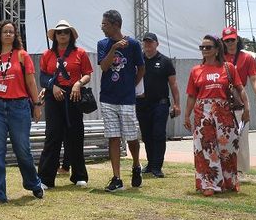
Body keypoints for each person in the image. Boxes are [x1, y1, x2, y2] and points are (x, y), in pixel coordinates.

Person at [0, 20, 44, 205]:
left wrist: (36, 105)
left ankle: (33, 183)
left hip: (19, 106)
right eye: (5, 31)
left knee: (22, 150)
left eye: (12, 32)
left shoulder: (22, 55)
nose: (8, 34)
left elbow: (31, 82)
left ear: (15, 36)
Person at [184, 35, 249, 196]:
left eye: (208, 47)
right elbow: (192, 95)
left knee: (228, 147)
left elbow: (240, 89)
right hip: (202, 112)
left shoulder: (228, 68)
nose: (205, 50)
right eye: (202, 47)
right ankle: (209, 183)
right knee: (205, 148)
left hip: (224, 111)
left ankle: (229, 181)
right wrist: (186, 115)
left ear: (217, 49)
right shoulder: (196, 70)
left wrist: (247, 109)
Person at [37, 19, 93, 189]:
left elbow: (87, 74)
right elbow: (43, 77)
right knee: (53, 136)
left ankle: (79, 175)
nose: (62, 35)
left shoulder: (80, 53)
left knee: (75, 135)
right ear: (54, 36)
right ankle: (46, 178)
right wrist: (52, 87)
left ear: (71, 35)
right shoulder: (47, 54)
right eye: (59, 32)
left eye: (66, 32)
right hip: (54, 97)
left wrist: (78, 84)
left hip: (74, 96)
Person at [98, 10, 145, 192]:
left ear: (115, 25)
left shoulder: (133, 44)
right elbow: (103, 66)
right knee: (113, 137)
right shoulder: (103, 44)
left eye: (105, 24)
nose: (102, 27)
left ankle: (136, 165)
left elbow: (141, 68)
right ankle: (117, 177)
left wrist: (131, 86)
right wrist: (113, 48)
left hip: (127, 99)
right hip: (108, 97)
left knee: (132, 137)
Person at [221, 26, 256, 176]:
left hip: (239, 102)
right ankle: (225, 168)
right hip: (221, 101)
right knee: (222, 137)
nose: (230, 43)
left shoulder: (247, 58)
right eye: (227, 41)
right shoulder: (219, 58)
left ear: (237, 39)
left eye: (232, 39)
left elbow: (254, 78)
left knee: (241, 137)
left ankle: (240, 170)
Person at [136, 32, 180, 178]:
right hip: (142, 103)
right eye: (145, 42)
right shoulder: (138, 60)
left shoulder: (165, 61)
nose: (148, 45)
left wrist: (177, 104)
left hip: (160, 104)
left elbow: (173, 84)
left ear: (156, 44)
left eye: (151, 42)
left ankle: (157, 166)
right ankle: (150, 163)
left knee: (159, 134)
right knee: (147, 135)